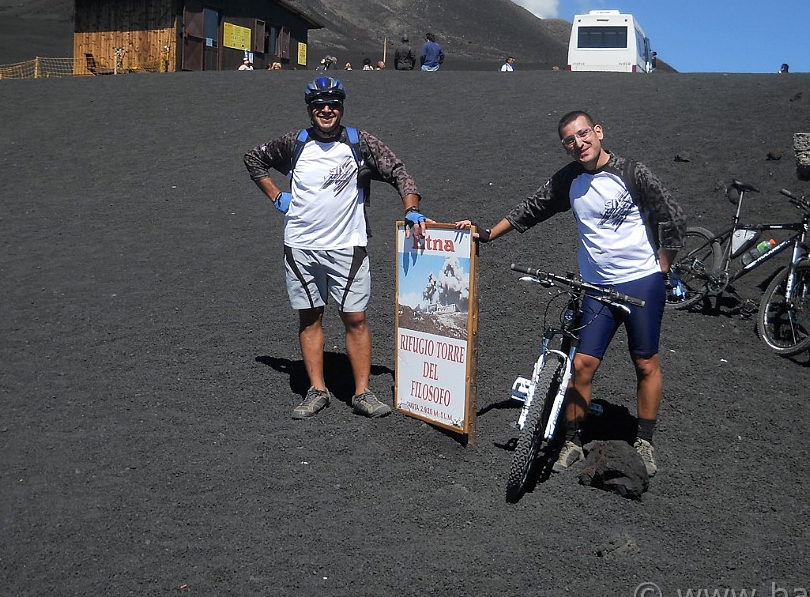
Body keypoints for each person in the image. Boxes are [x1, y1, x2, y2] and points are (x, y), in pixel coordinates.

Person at [456, 111, 686, 477]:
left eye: (583, 135)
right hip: (596, 286)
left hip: (642, 282)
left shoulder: (632, 172)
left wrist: (662, 266)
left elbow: (671, 216)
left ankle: (644, 440)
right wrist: (486, 234)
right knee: (581, 365)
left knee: (645, 363)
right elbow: (533, 207)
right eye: (569, 140)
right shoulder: (571, 179)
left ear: (598, 132)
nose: (578, 144)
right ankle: (572, 440)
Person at [244, 77, 430, 420]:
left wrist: (411, 208)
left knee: (355, 318)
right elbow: (253, 158)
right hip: (300, 246)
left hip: (348, 246)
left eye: (332, 104)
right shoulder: (294, 143)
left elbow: (398, 171)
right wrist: (275, 195)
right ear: (310, 109)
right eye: (318, 104)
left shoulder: (359, 142)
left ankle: (363, 393)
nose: (326, 110)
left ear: (341, 107)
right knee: (310, 316)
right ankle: (317, 391)